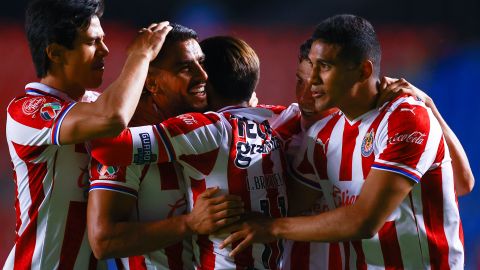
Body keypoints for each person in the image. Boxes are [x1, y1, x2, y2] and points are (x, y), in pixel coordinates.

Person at [219, 14, 469, 269]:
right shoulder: (322, 135)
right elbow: (285, 206)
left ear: (364, 70)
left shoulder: (406, 118)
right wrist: (208, 210)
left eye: (324, 66)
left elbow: (364, 221)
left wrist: (273, 228)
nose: (313, 80)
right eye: (308, 70)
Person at [90, 36, 288, 270]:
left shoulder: (209, 130)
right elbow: (104, 241)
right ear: (151, 82)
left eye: (202, 64)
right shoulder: (131, 140)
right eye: (186, 67)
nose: (202, 75)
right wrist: (189, 224)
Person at [4, 0, 171, 268]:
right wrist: (140, 55)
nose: (105, 51)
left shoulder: (96, 103)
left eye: (103, 40)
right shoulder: (28, 110)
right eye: (93, 42)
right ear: (56, 53)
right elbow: (112, 117)